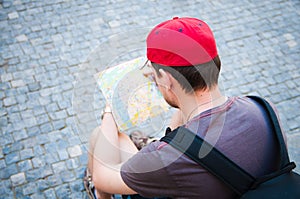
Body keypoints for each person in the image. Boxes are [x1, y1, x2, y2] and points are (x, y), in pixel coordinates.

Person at [86, 17, 285, 199]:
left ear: (165, 77)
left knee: (100, 135)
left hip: (173, 175)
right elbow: (184, 134)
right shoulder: (262, 108)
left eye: (155, 73)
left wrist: (111, 108)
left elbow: (103, 178)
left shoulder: (167, 160)